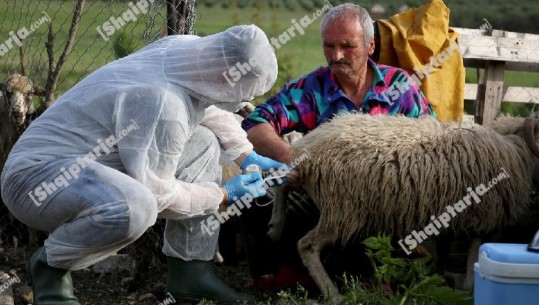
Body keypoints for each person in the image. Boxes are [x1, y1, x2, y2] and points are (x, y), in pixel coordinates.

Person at [1, 25, 287, 305]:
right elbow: (159, 195)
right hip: (36, 178)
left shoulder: (184, 49)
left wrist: (244, 154)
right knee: (137, 207)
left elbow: (208, 100)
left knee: (203, 142)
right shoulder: (164, 105)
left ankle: (191, 274)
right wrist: (223, 196)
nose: (239, 101)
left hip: (85, 158)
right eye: (240, 93)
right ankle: (50, 270)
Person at [240, 4, 436, 290]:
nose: (337, 55)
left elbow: (432, 140)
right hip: (324, 199)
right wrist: (292, 159)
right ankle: (275, 276)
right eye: (329, 46)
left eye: (347, 46)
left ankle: (351, 275)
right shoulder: (313, 88)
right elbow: (256, 122)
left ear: (370, 46)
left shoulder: (399, 87)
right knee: (253, 197)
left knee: (367, 235)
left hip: (384, 203)